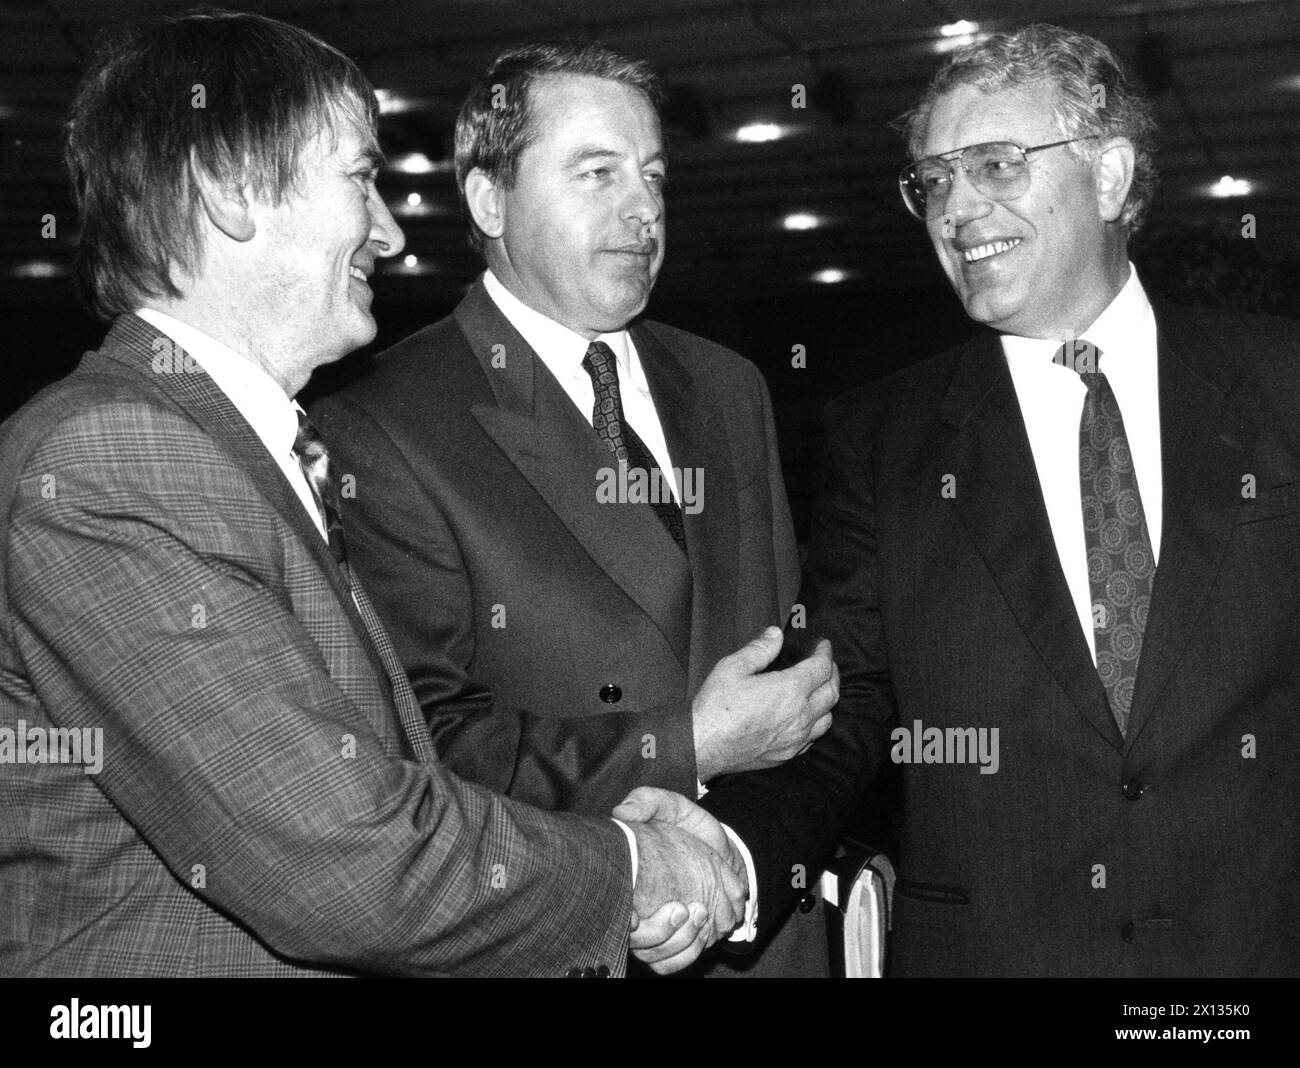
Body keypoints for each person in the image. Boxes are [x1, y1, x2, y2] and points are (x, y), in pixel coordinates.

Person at [0, 10, 748, 978]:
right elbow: (344, 862)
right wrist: (633, 866)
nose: (391, 235)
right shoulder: (120, 461)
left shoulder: (222, 450)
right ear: (232, 192)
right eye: (360, 177)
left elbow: (383, 785)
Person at [698, 22, 1300, 976]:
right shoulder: (883, 439)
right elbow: (844, 712)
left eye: (995, 164)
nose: (956, 208)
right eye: (932, 181)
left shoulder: (1281, 386)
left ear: (1108, 177)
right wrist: (726, 858)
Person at [312, 41, 838, 975]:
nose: (643, 208)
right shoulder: (382, 425)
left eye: (653, 176)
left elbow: (790, 673)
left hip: (763, 932)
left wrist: (746, 864)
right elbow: (422, 748)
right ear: (487, 200)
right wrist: (690, 744)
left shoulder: (727, 386)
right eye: (597, 173)